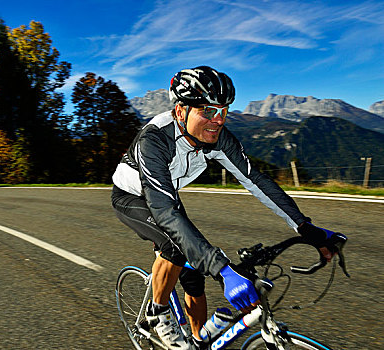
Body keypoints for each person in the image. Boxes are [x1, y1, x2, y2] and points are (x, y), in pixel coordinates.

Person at [111, 66, 347, 350]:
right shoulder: (155, 139)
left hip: (167, 196)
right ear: (180, 111)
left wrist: (304, 226)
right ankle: (157, 312)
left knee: (194, 274)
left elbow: (256, 180)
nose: (218, 120)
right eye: (207, 111)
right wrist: (222, 270)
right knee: (176, 247)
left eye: (223, 110)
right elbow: (162, 211)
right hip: (133, 197)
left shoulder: (218, 138)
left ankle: (198, 342)